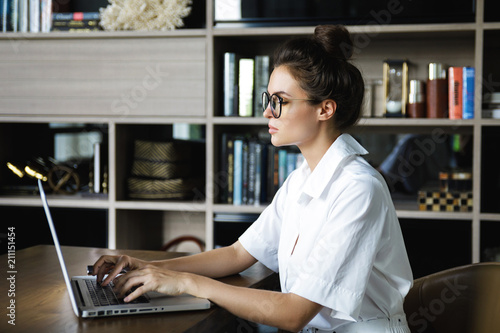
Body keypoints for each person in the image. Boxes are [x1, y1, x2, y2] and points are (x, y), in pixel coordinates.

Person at [92, 25, 413, 333]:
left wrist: (187, 283)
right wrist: (146, 266)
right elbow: (237, 254)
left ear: (325, 109)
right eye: (268, 99)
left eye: (280, 102)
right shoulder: (302, 179)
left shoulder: (359, 189)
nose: (268, 113)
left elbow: (294, 313)